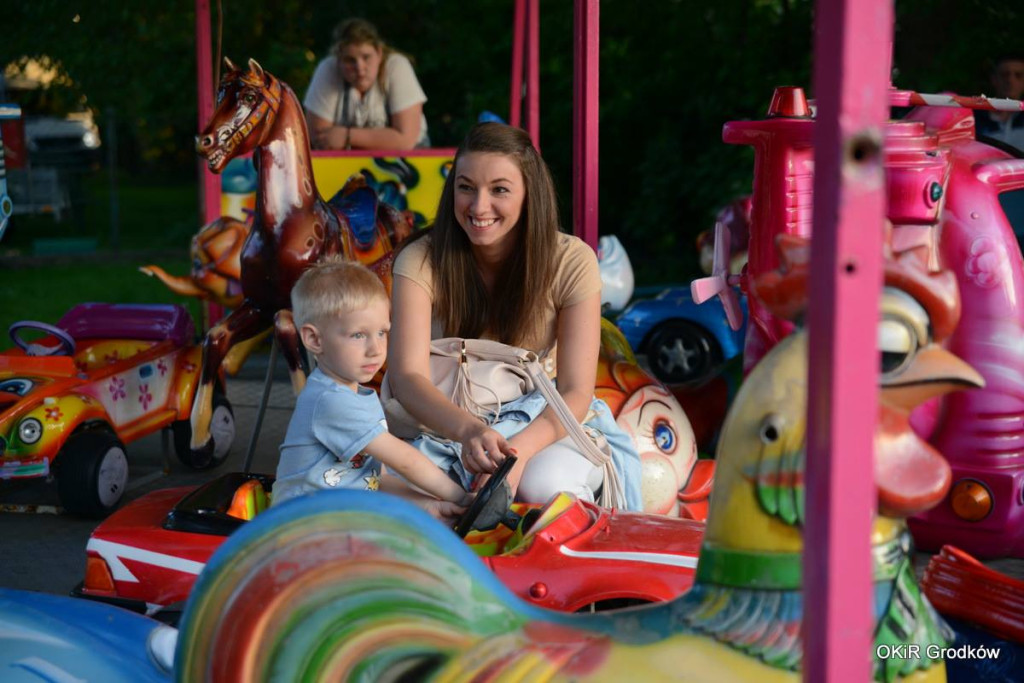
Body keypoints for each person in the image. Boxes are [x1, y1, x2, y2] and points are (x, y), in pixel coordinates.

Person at [387, 122, 643, 509]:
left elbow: (575, 391)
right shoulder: (421, 258)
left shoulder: (571, 260)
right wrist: (469, 431)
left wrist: (516, 455)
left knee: (545, 485)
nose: (478, 206)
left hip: (544, 422)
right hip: (446, 423)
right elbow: (406, 376)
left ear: (529, 194)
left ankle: (573, 564)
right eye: (466, 187)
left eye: (499, 190)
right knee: (383, 485)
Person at [271, 258, 469, 521]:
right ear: (314, 339)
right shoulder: (330, 401)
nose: (375, 349)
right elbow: (405, 460)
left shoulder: (358, 396)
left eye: (382, 333)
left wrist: (428, 506)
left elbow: (375, 480)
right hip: (302, 524)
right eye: (358, 335)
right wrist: (461, 496)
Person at [304, 18, 429, 150]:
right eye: (349, 60)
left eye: (366, 57)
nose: (360, 68)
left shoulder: (396, 66)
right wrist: (386, 138)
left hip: (408, 162)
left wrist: (347, 136)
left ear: (379, 53)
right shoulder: (328, 68)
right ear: (338, 59)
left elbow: (406, 141)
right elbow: (320, 139)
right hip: (344, 163)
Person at [975, 54, 1024, 151]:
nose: (1010, 80)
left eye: (1018, 75)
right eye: (1005, 75)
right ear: (994, 79)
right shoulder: (975, 119)